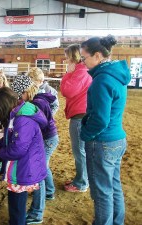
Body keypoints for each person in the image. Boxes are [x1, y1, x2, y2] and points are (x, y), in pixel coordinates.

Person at [80, 35, 131, 225]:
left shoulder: (101, 80)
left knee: (102, 193)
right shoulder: (116, 75)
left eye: (84, 57)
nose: (83, 62)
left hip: (102, 142)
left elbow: (100, 119)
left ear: (98, 55)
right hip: (117, 139)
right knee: (114, 187)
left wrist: (85, 134)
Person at [0, 87, 48, 225]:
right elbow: (9, 139)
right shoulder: (17, 116)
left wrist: (0, 152)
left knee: (17, 206)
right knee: (16, 204)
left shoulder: (22, 120)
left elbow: (17, 149)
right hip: (22, 168)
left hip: (23, 170)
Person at [11, 75, 59, 224]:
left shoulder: (36, 102)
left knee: (38, 175)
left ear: (24, 92)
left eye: (20, 95)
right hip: (47, 138)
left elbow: (40, 124)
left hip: (47, 139)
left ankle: (37, 212)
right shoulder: (37, 100)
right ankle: (49, 193)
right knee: (42, 170)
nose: (20, 99)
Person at [60, 44, 92, 192]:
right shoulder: (82, 71)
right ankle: (81, 178)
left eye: (67, 58)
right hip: (81, 114)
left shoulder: (80, 71)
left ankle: (81, 183)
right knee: (81, 151)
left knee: (80, 151)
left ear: (73, 57)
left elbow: (67, 91)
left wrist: (67, 74)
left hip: (80, 116)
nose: (66, 61)